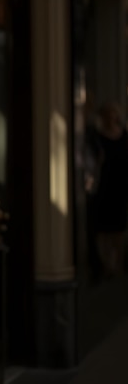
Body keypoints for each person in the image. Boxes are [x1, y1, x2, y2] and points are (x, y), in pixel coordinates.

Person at [89, 102, 128, 278]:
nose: (112, 117)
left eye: (114, 113)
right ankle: (106, 264)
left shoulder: (124, 135)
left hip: (120, 185)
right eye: (108, 113)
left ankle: (117, 263)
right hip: (103, 185)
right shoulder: (97, 138)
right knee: (103, 228)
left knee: (119, 227)